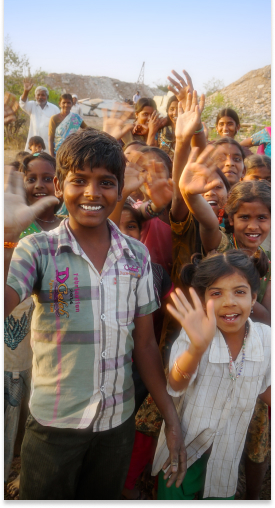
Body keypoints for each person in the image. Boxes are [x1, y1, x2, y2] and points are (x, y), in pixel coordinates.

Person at [4, 128, 186, 501]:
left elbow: (146, 346)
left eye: (105, 182)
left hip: (115, 425)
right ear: (59, 185)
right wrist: (6, 238)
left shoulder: (136, 256)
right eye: (79, 181)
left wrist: (170, 414)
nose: (92, 193)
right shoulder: (37, 250)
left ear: (120, 190)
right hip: (53, 425)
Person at [152, 249, 271, 500]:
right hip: (183, 452)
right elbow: (175, 382)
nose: (229, 302)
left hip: (225, 457)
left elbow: (266, 388)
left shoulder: (266, 339)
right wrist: (196, 348)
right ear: (202, 299)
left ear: (254, 298)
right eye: (216, 293)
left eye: (239, 291)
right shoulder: (193, 336)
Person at [5, 152, 62, 499]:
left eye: (47, 178)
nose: (40, 185)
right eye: (32, 178)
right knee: (11, 407)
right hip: (15, 343)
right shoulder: (12, 223)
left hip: (55, 344)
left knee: (37, 416)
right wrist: (8, 237)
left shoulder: (72, 225)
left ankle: (26, 471)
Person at [118, 202, 174, 500]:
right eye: (120, 225)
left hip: (143, 364)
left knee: (133, 421)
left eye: (132, 227)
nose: (125, 234)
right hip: (109, 363)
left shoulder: (154, 271)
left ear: (143, 232)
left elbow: (173, 306)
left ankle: (128, 476)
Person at [178, 148, 271, 325]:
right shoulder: (222, 245)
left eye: (262, 218)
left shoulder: (269, 261)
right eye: (244, 217)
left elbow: (267, 319)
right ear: (231, 218)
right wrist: (189, 194)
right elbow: (208, 223)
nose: (253, 226)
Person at [19, 81, 60, 153]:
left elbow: (60, 126)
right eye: (38, 95)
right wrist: (26, 91)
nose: (40, 97)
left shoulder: (55, 109)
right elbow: (23, 104)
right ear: (35, 96)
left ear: (47, 97)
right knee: (32, 162)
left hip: (48, 145)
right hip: (33, 145)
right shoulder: (32, 105)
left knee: (47, 162)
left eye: (43, 95)